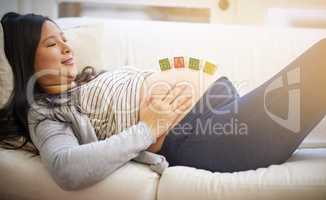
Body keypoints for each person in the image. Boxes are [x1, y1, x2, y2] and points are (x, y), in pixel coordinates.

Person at [0, 12, 325, 191]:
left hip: (223, 109)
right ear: (28, 58)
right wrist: (148, 127)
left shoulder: (86, 81)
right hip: (203, 136)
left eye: (65, 39)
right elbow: (65, 168)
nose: (67, 48)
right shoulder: (46, 111)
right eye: (52, 43)